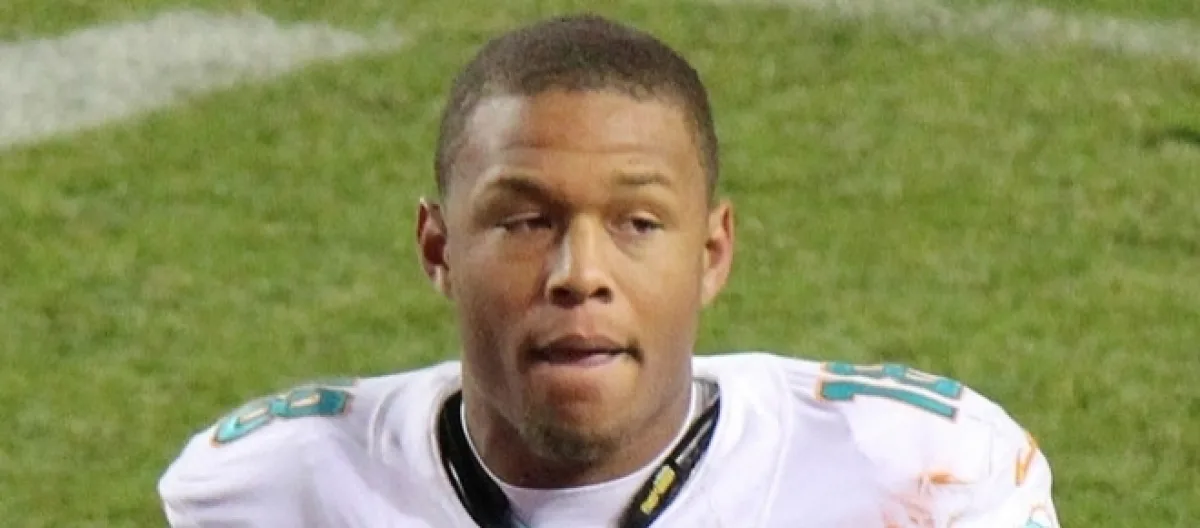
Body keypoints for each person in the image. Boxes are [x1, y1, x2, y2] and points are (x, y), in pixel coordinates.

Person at [157, 13, 1060, 528]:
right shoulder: (272, 490)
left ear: (710, 254)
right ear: (438, 250)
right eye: (525, 221)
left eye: (637, 223)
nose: (579, 274)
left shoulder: (920, 480)